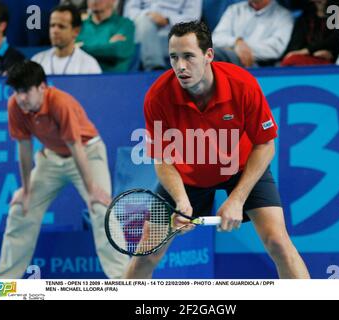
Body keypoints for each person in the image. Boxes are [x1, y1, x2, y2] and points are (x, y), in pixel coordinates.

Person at [125, 21, 310, 279]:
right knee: (147, 254)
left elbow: (265, 145)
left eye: (189, 56)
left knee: (278, 243)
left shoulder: (242, 85)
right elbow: (162, 158)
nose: (180, 66)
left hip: (241, 167)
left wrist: (237, 199)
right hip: (188, 175)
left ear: (208, 55)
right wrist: (180, 200)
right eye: (174, 57)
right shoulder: (158, 97)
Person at [0, 61, 129, 279]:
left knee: (100, 209)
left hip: (87, 153)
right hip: (50, 159)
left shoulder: (60, 102)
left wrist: (92, 190)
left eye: (26, 91)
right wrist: (26, 190)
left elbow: (76, 148)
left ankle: (125, 281)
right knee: (20, 210)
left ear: (42, 87)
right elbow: (25, 149)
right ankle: (4, 283)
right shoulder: (15, 107)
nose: (21, 98)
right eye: (17, 92)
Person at [123, 0, 202, 71]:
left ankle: (153, 72)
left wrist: (167, 20)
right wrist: (146, 15)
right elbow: (129, 12)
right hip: (141, 28)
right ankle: (155, 69)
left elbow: (193, 18)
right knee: (143, 23)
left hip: (172, 31)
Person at [212, 0, 294, 67]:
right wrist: (236, 42)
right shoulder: (234, 10)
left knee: (212, 54)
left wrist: (241, 49)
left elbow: (275, 48)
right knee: (208, 53)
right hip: (227, 58)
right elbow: (215, 38)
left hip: (259, 64)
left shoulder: (283, 16)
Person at [32, 4, 102, 75]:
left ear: (76, 31)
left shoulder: (89, 65)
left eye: (61, 26)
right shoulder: (37, 61)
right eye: (52, 25)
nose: (55, 31)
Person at [77, 0, 135, 72]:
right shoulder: (78, 26)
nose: (94, 0)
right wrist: (108, 44)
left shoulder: (125, 24)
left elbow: (118, 50)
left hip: (113, 79)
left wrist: (83, 47)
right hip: (82, 78)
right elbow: (70, 52)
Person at [281, 0, 339, 66]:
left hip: (332, 61)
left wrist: (332, 54)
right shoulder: (305, 17)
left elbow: (335, 39)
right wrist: (309, 52)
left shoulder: (338, 15)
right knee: (290, 60)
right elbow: (295, 46)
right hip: (307, 59)